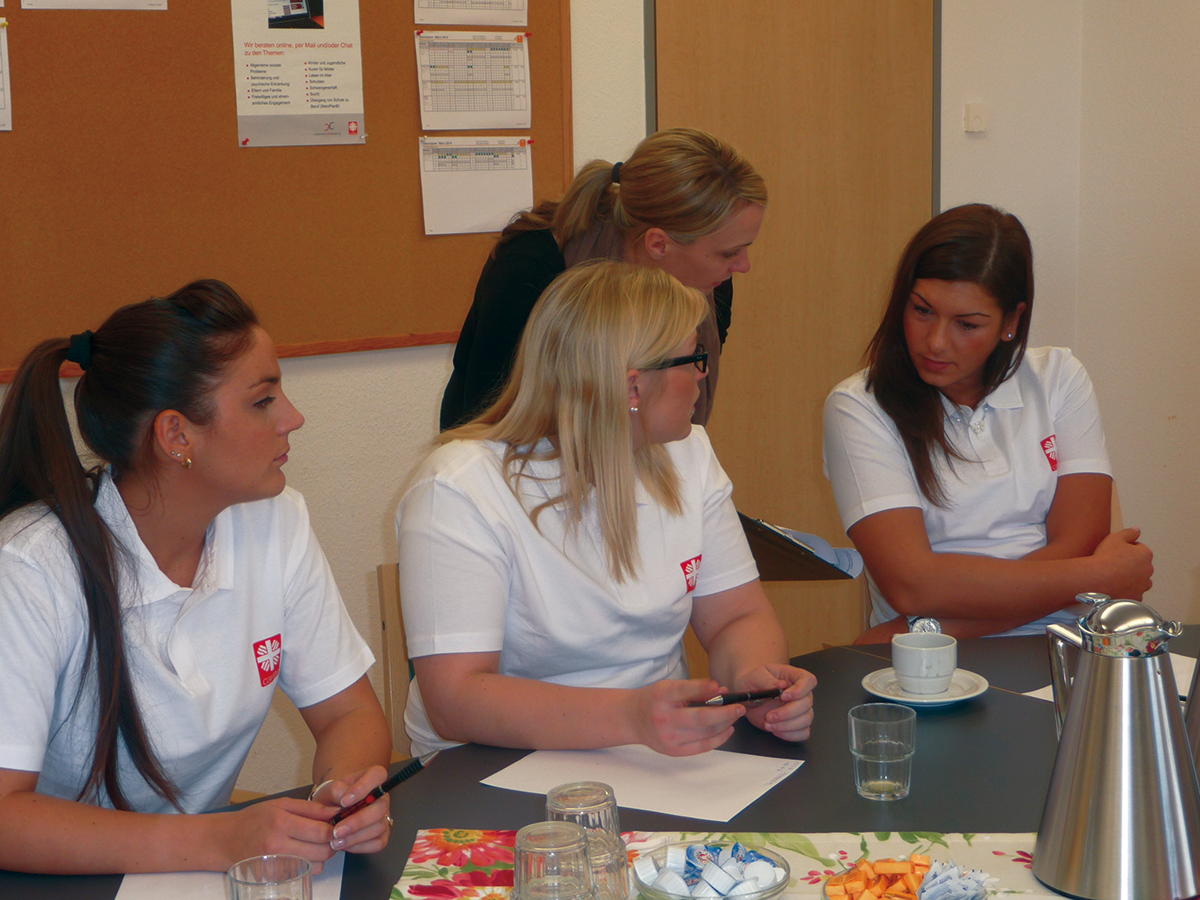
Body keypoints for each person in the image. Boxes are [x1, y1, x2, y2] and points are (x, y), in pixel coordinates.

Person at [0, 280, 393, 874]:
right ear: (177, 435)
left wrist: (338, 800)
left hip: (193, 875)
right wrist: (217, 842)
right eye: (262, 401)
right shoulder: (30, 567)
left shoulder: (275, 521)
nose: (293, 418)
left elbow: (348, 715)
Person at [400, 260, 816, 756]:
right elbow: (456, 700)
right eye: (693, 357)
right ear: (633, 387)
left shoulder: (689, 453)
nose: (703, 375)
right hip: (495, 762)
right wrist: (631, 717)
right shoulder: (460, 487)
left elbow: (736, 617)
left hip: (650, 753)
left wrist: (755, 681)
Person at [822, 204, 1153, 641]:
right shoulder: (859, 405)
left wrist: (937, 625)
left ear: (1010, 322)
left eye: (967, 324)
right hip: (933, 666)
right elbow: (912, 583)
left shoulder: (1058, 377)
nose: (936, 342)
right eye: (922, 311)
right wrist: (1094, 578)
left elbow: (1081, 542)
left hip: (1037, 641)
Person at [439, 127, 767, 431]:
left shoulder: (710, 282)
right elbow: (487, 422)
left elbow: (680, 407)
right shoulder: (531, 268)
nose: (743, 265)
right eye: (729, 253)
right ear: (658, 243)